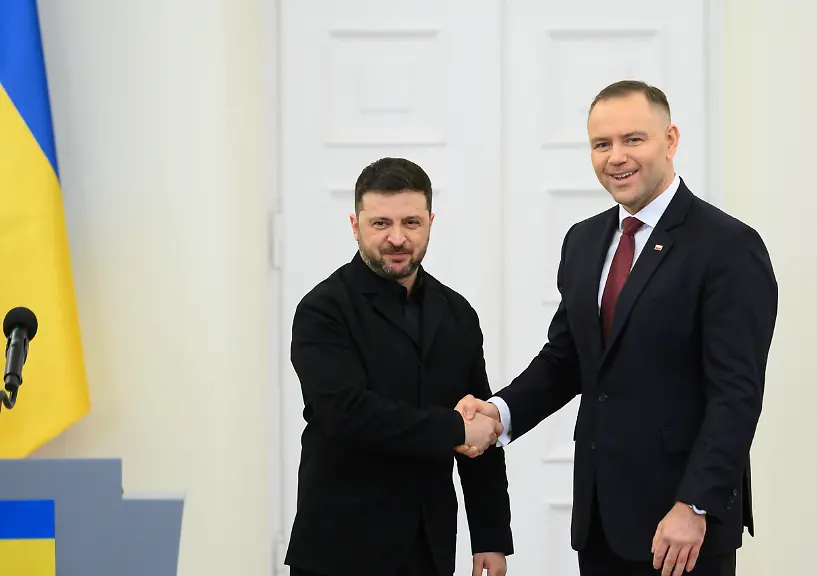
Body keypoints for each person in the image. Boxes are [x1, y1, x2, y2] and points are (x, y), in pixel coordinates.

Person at [458, 80, 778, 576]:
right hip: (602, 519)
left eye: (634, 139)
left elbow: (736, 394)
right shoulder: (584, 241)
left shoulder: (728, 246)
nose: (616, 157)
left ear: (670, 140)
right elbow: (567, 359)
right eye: (601, 144)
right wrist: (500, 414)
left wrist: (695, 505)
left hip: (682, 529)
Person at [284, 157, 513, 576]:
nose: (397, 238)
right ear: (355, 225)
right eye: (380, 224)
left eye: (411, 222)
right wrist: (455, 430)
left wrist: (491, 538)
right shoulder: (323, 309)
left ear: (430, 221)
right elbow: (346, 413)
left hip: (429, 547)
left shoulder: (458, 313)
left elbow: (478, 419)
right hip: (340, 549)